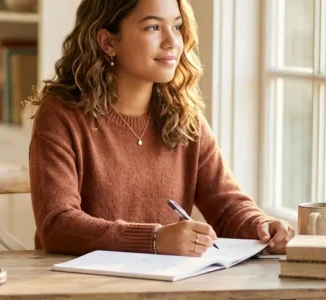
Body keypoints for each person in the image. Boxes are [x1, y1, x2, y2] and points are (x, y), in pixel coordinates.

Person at [23, 0, 295, 257]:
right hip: (81, 288)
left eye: (176, 26)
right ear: (108, 41)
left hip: (166, 287)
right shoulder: (61, 115)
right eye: (153, 27)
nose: (172, 42)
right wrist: (154, 239)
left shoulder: (184, 115)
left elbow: (226, 205)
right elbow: (57, 225)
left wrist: (261, 225)